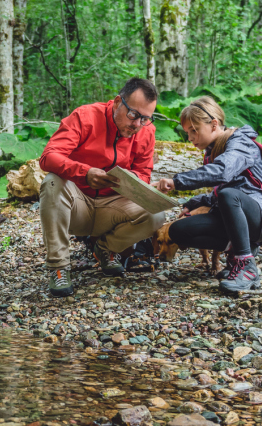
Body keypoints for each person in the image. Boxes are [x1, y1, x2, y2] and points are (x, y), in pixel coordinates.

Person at [38, 77, 166, 297]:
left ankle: (106, 250)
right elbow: (49, 157)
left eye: (145, 118)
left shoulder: (146, 131)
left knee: (156, 214)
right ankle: (59, 267)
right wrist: (84, 173)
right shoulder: (85, 117)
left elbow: (144, 173)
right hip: (76, 205)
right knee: (51, 182)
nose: (137, 124)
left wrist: (130, 179)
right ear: (118, 102)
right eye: (134, 115)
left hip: (113, 206)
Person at [154, 96, 262, 295]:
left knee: (229, 195)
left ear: (214, 124)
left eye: (194, 130)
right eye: (187, 132)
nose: (190, 137)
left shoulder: (241, 143)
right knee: (178, 231)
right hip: (234, 215)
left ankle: (246, 265)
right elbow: (220, 191)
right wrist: (195, 202)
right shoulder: (213, 150)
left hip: (259, 217)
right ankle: (236, 257)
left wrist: (176, 182)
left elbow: (224, 173)